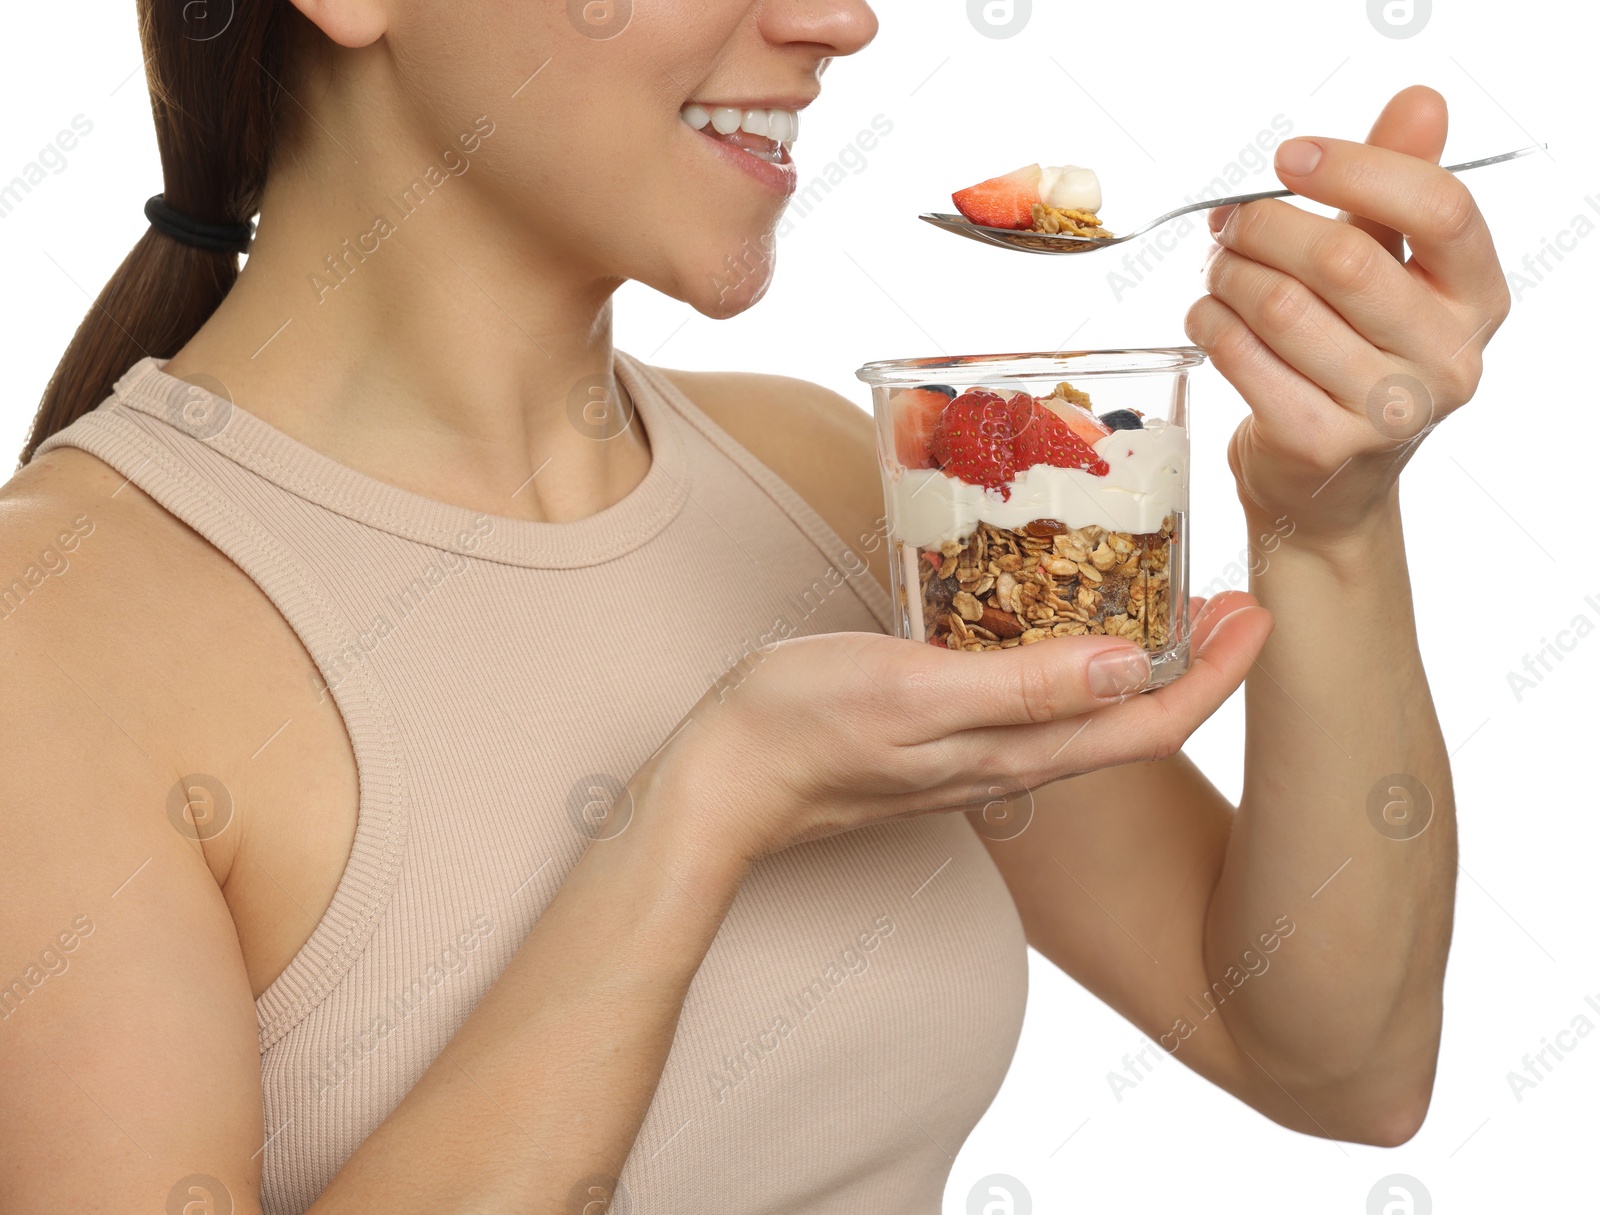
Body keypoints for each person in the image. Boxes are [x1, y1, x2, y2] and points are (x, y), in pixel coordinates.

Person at [0, 0, 1508, 1209]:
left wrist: (1328, 530)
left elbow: (1327, 1059)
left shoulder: (823, 484)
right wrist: (702, 809)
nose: (841, 20)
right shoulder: (52, 631)